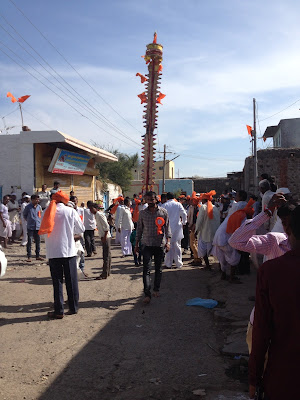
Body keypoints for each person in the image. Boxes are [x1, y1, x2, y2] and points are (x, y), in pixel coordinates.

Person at [248, 205, 300, 400]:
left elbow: (261, 332)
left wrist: (254, 377)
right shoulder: (273, 247)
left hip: (285, 375)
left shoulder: (272, 271)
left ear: (288, 229)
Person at [38, 190, 85, 319]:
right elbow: (81, 229)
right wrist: (70, 233)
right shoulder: (70, 211)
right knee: (71, 281)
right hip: (69, 251)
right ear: (65, 200)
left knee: (57, 282)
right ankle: (73, 307)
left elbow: (42, 232)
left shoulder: (46, 212)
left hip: (53, 252)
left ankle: (59, 310)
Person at [135, 191, 171, 304]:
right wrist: (136, 244)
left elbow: (167, 228)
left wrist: (168, 242)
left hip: (159, 244)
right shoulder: (142, 213)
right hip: (146, 244)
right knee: (146, 269)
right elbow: (139, 229)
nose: (150, 202)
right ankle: (147, 294)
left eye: (152, 199)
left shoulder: (163, 212)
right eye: (147, 200)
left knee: (158, 269)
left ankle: (156, 289)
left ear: (156, 199)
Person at [212, 190, 250, 282]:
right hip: (227, 236)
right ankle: (232, 277)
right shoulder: (242, 208)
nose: (235, 197)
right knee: (235, 255)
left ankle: (224, 274)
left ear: (240, 197)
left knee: (223, 257)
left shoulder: (236, 207)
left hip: (219, 234)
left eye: (236, 195)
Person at [161, 192, 187, 269]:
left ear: (167, 198)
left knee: (168, 245)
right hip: (177, 228)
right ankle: (179, 263)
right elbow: (184, 214)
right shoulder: (178, 204)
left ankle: (168, 263)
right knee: (177, 246)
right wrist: (184, 223)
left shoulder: (164, 205)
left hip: (167, 228)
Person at [195, 191, 220, 268]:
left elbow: (199, 220)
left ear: (203, 200)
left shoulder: (203, 207)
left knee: (203, 250)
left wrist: (196, 231)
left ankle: (208, 265)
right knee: (216, 251)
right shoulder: (215, 208)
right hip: (214, 233)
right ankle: (220, 267)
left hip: (205, 233)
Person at [89, 203, 112, 280]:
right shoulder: (96, 215)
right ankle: (107, 272)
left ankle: (104, 273)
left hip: (106, 237)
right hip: (104, 236)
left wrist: (104, 237)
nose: (91, 210)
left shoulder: (99, 215)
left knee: (106, 255)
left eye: (92, 208)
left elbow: (106, 226)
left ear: (96, 208)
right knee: (107, 255)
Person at [23, 195, 43, 262]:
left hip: (38, 226)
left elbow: (40, 215)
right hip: (30, 227)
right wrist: (29, 221)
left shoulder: (39, 207)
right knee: (30, 242)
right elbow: (24, 215)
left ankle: (37, 255)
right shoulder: (28, 207)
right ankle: (29, 256)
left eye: (38, 199)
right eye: (36, 199)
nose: (37, 201)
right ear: (32, 200)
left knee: (38, 242)